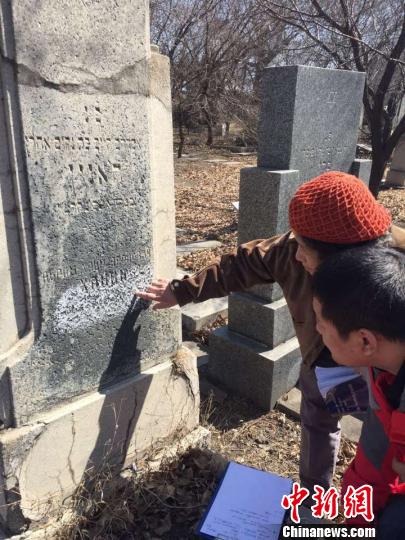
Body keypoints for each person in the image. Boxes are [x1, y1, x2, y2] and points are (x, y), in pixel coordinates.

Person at [137, 171, 405, 495]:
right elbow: (242, 264)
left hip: (383, 370)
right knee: (319, 420)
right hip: (322, 361)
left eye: (304, 249)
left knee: (382, 443)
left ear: (343, 261)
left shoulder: (394, 260)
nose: (296, 254)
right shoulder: (295, 249)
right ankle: (313, 496)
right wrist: (182, 291)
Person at [312, 246, 405, 536]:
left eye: (322, 323)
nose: (316, 329)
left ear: (365, 341)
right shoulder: (383, 371)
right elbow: (375, 457)